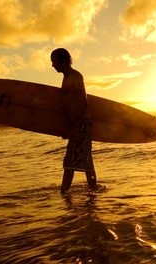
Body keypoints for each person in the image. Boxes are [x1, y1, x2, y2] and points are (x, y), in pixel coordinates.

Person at [50, 48, 97, 195]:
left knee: (70, 161)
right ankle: (93, 191)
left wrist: (75, 126)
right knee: (86, 160)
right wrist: (66, 127)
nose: (53, 65)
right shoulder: (66, 77)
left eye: (54, 61)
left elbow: (82, 102)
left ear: (63, 60)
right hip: (78, 123)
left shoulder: (75, 76)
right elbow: (69, 104)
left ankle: (64, 194)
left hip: (81, 123)